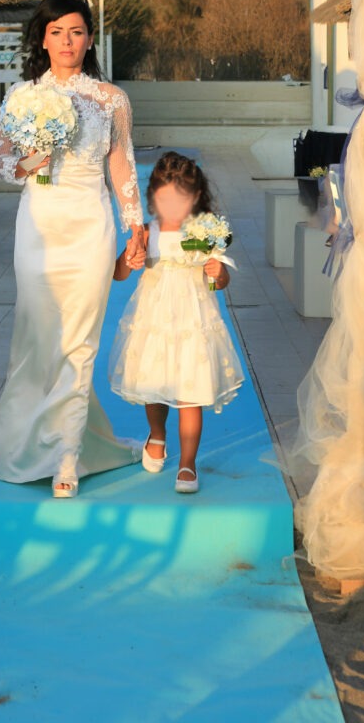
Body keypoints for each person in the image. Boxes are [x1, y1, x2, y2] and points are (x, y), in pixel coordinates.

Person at [0, 0, 145, 497]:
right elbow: (1, 164)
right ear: (43, 38)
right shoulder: (20, 95)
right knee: (38, 338)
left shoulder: (110, 99)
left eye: (76, 31)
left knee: (79, 344)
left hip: (89, 227)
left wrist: (135, 226)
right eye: (56, 32)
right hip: (38, 228)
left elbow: (120, 164)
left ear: (89, 38)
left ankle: (68, 456)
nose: (66, 41)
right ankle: (30, 441)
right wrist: (36, 157)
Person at [109, 151, 244, 494]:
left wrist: (218, 272)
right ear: (153, 197)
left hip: (192, 323)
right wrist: (130, 256)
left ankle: (187, 462)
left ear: (196, 198)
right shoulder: (147, 231)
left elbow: (219, 280)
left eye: (180, 200)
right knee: (154, 384)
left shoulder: (205, 232)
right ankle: (157, 435)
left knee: (190, 392)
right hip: (154, 321)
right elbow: (119, 273)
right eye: (165, 199)